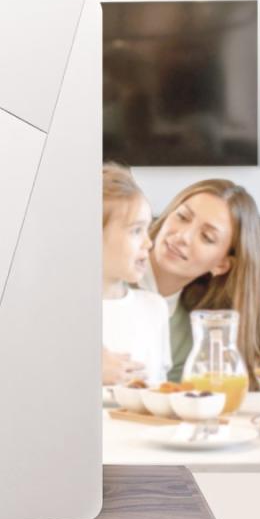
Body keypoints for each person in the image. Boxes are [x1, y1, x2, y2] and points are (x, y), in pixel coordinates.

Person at [135, 179, 260, 384]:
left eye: (206, 237)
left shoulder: (196, 335)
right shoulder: (106, 280)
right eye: (182, 217)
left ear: (222, 265)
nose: (183, 236)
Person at [100, 164, 171, 387]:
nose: (148, 243)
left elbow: (160, 390)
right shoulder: (57, 313)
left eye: (147, 229)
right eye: (136, 230)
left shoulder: (154, 308)